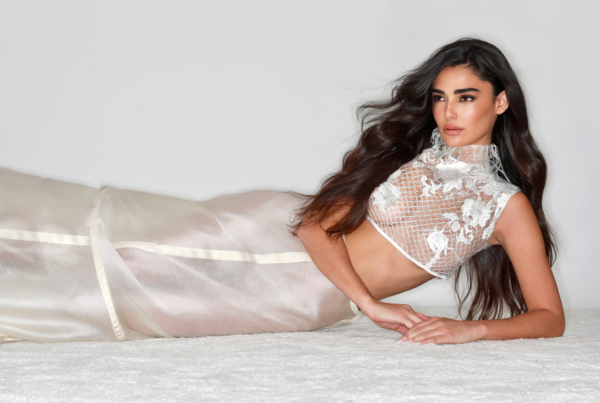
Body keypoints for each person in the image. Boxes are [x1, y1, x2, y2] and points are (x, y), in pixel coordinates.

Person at [0, 37, 564, 345]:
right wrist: (370, 304)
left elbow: (549, 317)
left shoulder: (504, 207)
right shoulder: (411, 158)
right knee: (118, 248)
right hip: (272, 236)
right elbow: (315, 225)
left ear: (500, 102)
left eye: (466, 97)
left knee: (126, 288)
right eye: (440, 98)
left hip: (306, 296)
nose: (449, 112)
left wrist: (469, 330)